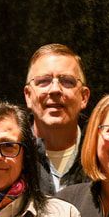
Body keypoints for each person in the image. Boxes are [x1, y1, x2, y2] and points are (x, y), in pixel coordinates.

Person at [23, 43, 91, 193]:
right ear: (28, 95)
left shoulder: (103, 157)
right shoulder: (9, 156)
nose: (54, 90)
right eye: (43, 81)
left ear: (84, 97)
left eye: (67, 81)